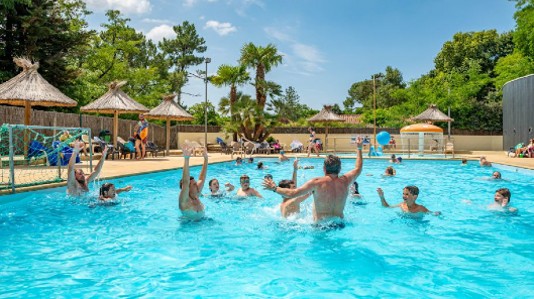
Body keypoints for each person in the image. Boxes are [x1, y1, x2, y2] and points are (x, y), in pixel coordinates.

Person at [263, 137, 364, 223]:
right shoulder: (345, 181)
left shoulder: (316, 182)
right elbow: (358, 168)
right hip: (340, 225)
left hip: (321, 227)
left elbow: (293, 193)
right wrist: (359, 148)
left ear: (324, 169)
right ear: (340, 169)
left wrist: (274, 188)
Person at [178, 145, 208, 220]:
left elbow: (202, 178)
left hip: (202, 225)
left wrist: (206, 158)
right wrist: (186, 159)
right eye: (194, 184)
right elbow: (185, 182)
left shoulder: (196, 195)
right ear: (188, 188)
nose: (197, 185)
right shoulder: (185, 201)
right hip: (188, 228)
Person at [376, 186, 441, 215]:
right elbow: (387, 207)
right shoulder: (402, 205)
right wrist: (381, 196)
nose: (404, 196)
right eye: (403, 193)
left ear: (414, 197)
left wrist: (438, 213)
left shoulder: (420, 208)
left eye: (407, 194)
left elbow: (431, 213)